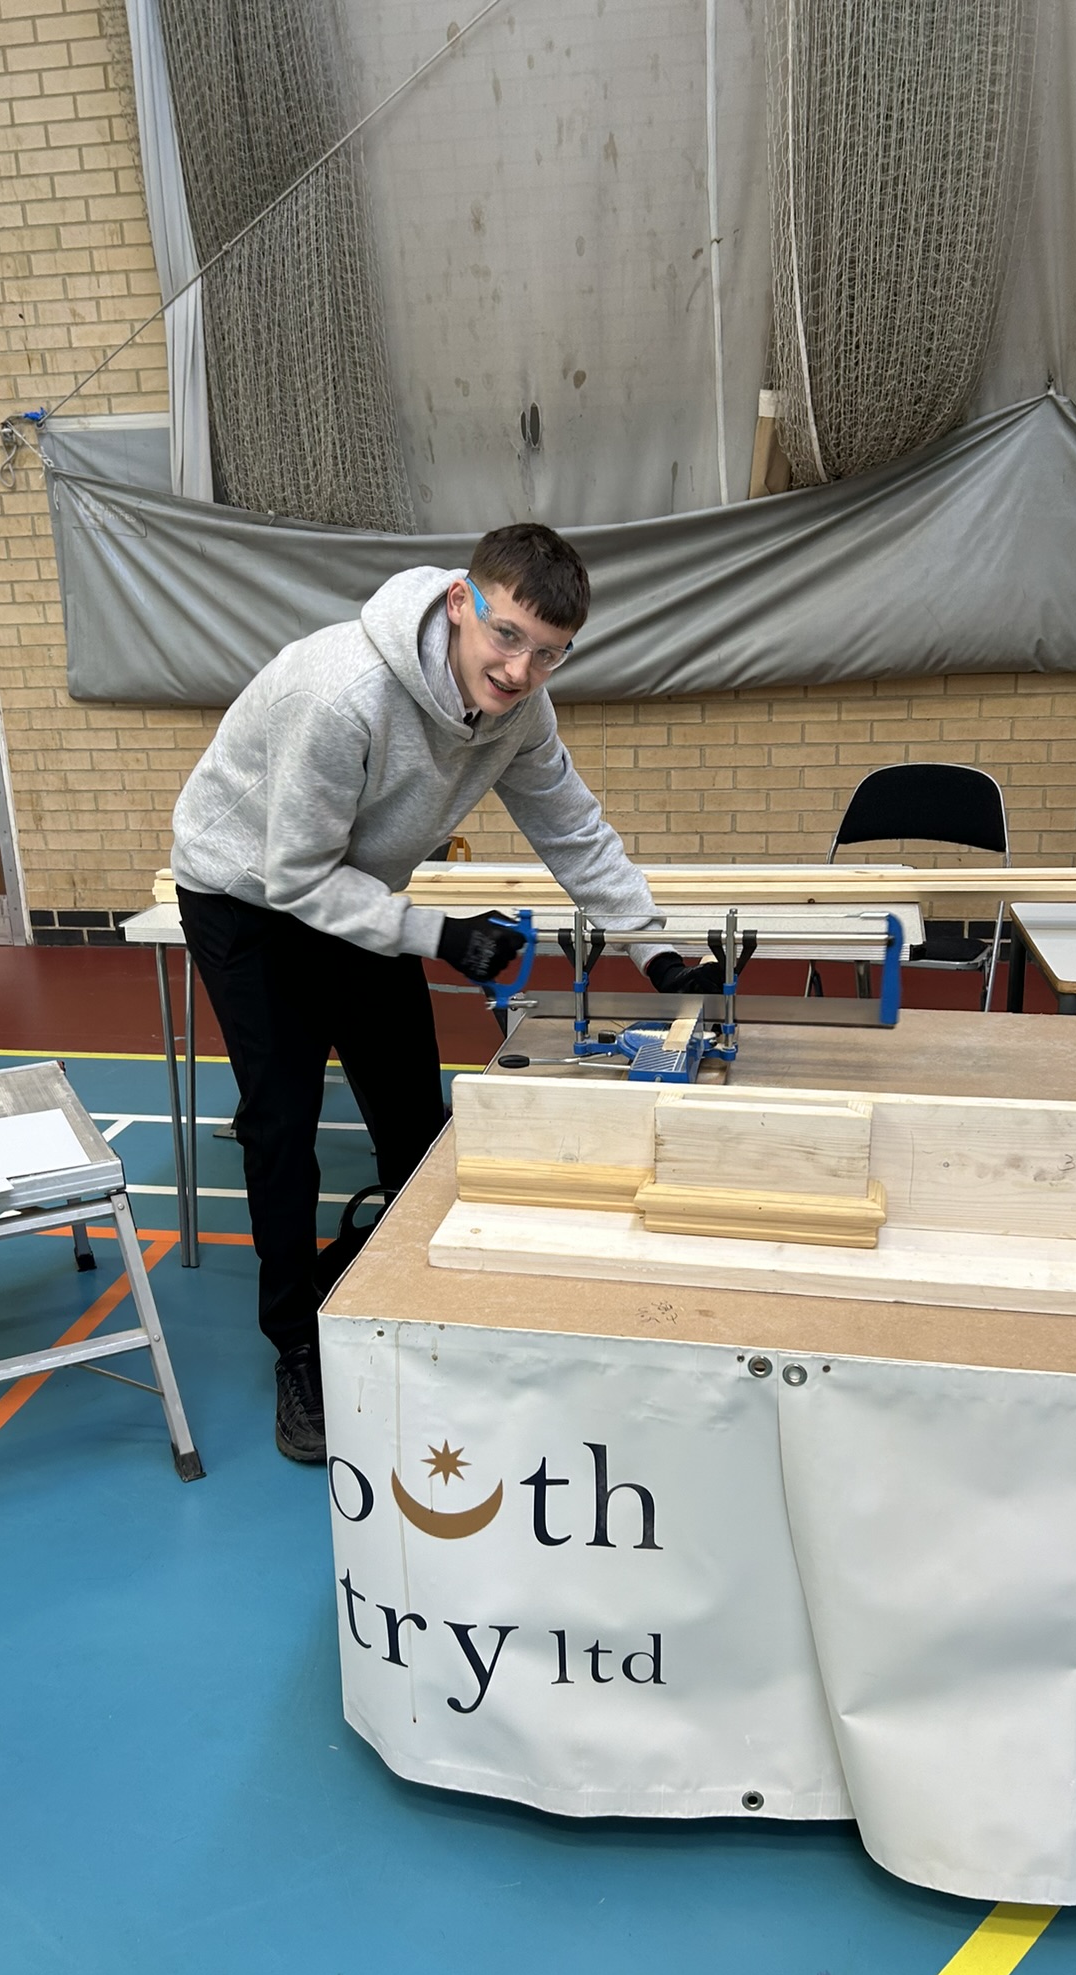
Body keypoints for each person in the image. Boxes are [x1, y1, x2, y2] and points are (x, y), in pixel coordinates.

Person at [170, 523, 721, 1463]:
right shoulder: (341, 694)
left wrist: (654, 951)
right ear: (462, 602)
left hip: (357, 889)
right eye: (507, 635)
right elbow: (297, 878)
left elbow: (571, 828)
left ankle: (409, 1292)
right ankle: (297, 1345)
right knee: (282, 1125)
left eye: (549, 653)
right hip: (248, 895)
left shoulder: (520, 710)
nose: (519, 670)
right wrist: (440, 935)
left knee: (414, 1118)